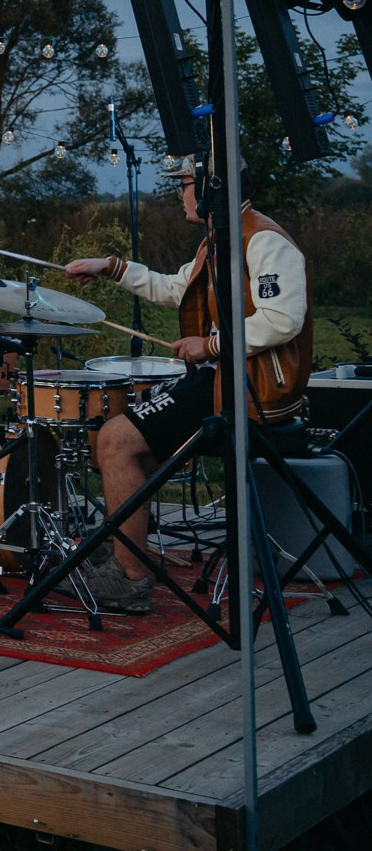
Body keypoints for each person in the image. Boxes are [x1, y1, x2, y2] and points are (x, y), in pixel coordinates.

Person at [65, 158, 310, 614]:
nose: (180, 194)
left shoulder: (264, 240)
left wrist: (211, 346)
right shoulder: (221, 239)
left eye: (183, 185)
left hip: (250, 392)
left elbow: (283, 320)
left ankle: (131, 577)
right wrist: (112, 268)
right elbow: (175, 288)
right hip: (224, 379)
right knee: (112, 433)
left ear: (210, 188)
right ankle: (122, 551)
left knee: (119, 440)